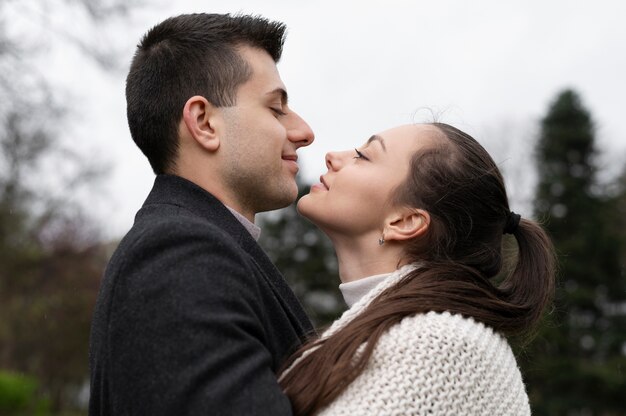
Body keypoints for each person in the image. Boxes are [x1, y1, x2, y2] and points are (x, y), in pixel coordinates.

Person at [89, 13, 315, 415]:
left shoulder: (201, 246)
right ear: (204, 122)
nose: (303, 131)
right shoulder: (179, 252)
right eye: (277, 108)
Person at [279, 123, 556, 415]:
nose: (333, 156)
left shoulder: (441, 345)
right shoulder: (417, 333)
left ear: (405, 222)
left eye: (363, 155)